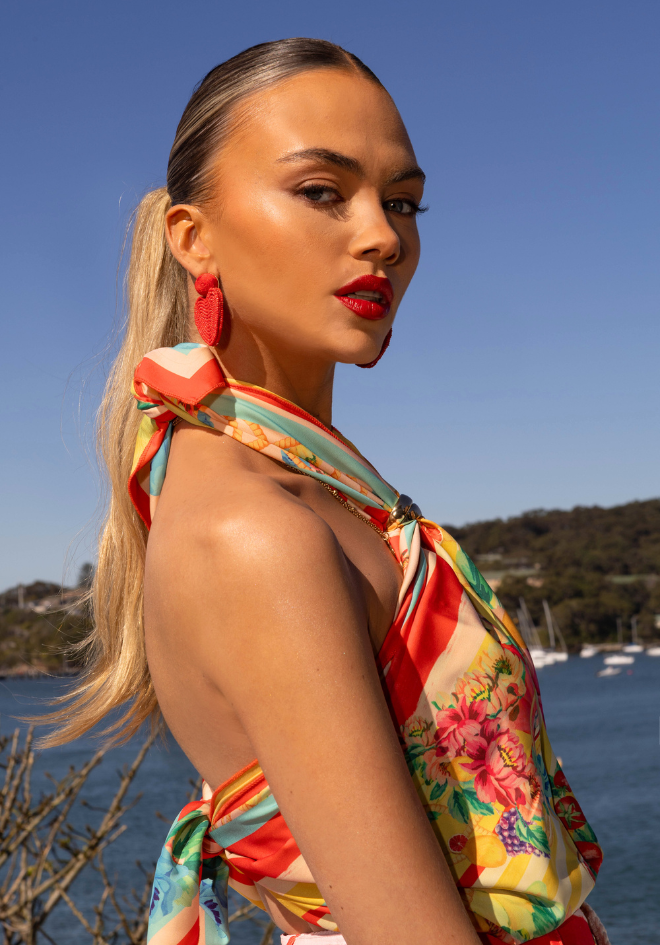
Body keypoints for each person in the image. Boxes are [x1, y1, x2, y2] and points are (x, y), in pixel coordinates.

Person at [45, 39, 608, 945]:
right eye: (322, 191)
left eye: (402, 202)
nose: (384, 234)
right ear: (193, 238)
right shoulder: (255, 529)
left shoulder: (294, 488)